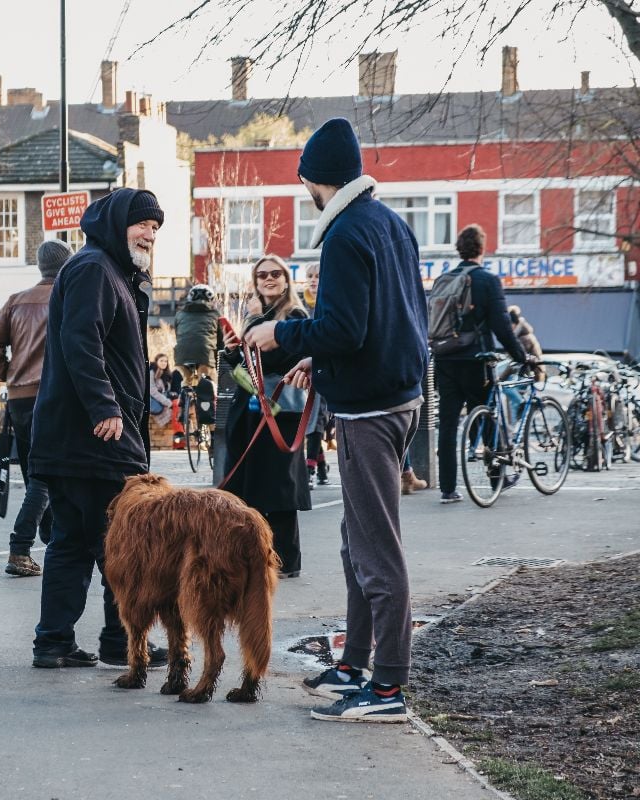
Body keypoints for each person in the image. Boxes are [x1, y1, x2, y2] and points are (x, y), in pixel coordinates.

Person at [244, 118, 429, 722]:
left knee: (375, 549)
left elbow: (344, 329)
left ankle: (388, 688)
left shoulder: (346, 233)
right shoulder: (391, 225)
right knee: (357, 541)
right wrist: (317, 363)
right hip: (395, 397)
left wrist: (282, 334)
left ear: (311, 180)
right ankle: (355, 664)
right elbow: (393, 320)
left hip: (369, 410)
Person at [28, 187, 168, 671]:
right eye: (142, 224)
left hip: (82, 438)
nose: (150, 233)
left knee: (72, 541)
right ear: (116, 224)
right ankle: (119, 641)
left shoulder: (110, 270)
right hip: (95, 438)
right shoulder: (93, 269)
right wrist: (104, 407)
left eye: (154, 227)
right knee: (118, 543)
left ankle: (57, 642)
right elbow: (80, 340)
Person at [0, 239, 71, 577]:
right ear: (66, 265)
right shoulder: (67, 298)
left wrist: (11, 374)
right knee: (45, 474)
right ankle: (20, 547)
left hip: (18, 397)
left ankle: (49, 537)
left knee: (36, 470)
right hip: (54, 395)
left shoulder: (16, 301)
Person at [221, 256, 311, 579]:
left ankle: (286, 559)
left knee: (280, 487)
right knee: (250, 484)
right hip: (249, 410)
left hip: (280, 411)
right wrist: (232, 347)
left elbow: (280, 360)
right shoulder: (254, 318)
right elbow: (240, 367)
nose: (268, 279)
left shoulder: (295, 316)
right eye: (262, 275)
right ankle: (254, 556)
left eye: (275, 274)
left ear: (286, 280)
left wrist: (257, 326)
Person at [433, 224, 529, 504]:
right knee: (485, 412)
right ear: (482, 249)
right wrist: (522, 356)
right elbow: (502, 326)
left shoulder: (444, 278)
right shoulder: (487, 280)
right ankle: (496, 477)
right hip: (476, 359)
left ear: (460, 249)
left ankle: (448, 489)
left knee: (448, 424)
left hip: (445, 358)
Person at [300, 263, 331, 488]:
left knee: (316, 420)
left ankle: (309, 469)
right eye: (310, 276)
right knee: (312, 421)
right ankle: (319, 466)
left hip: (323, 368)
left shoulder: (329, 303)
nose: (313, 280)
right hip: (303, 370)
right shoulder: (301, 306)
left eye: (318, 276)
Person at [173, 283, 220, 382]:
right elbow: (221, 341)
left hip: (182, 354)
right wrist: (218, 362)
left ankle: (187, 394)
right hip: (205, 355)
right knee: (208, 385)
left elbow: (178, 335)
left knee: (187, 383)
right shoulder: (216, 315)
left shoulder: (180, 314)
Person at [148, 353, 175, 426]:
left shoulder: (166, 374)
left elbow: (166, 390)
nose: (164, 363)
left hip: (162, 400)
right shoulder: (152, 372)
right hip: (154, 401)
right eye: (161, 361)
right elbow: (152, 391)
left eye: (165, 361)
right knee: (175, 411)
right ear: (156, 361)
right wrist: (167, 402)